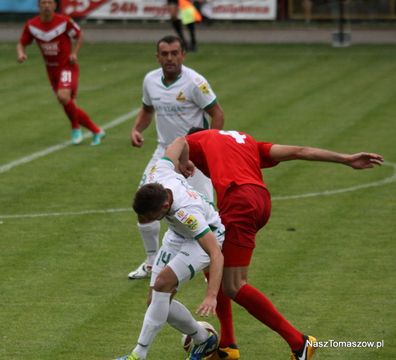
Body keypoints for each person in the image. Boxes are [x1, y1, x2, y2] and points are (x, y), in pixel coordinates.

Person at [165, 129, 384, 360]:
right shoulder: (245, 141)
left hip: (239, 201)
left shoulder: (198, 138)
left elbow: (179, 143)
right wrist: (346, 158)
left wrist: (182, 161)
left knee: (234, 285)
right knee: (215, 263)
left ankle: (299, 343)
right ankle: (228, 346)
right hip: (260, 201)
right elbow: (300, 151)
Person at [128, 35, 224, 280]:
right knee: (143, 206)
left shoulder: (195, 82)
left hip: (193, 156)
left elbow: (217, 113)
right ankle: (151, 261)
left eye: (174, 53)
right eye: (165, 54)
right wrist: (137, 128)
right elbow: (148, 110)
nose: (169, 58)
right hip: (164, 154)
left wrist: (208, 145)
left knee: (204, 214)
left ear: (183, 55)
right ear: (157, 56)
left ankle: (211, 269)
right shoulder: (150, 80)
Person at [115, 151, 226, 360]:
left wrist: (211, 295)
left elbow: (215, 253)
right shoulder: (159, 172)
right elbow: (179, 142)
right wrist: (184, 160)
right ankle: (204, 339)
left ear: (165, 206)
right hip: (177, 233)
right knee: (155, 300)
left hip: (204, 239)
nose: (145, 221)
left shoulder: (187, 212)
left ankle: (138, 355)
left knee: (163, 283)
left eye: (149, 217)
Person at [16, 0, 105, 146]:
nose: (46, 6)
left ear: (55, 5)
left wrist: (74, 53)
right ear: (38, 5)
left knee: (63, 96)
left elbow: (79, 35)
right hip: (51, 70)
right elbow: (22, 43)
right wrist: (21, 53)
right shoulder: (32, 25)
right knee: (69, 104)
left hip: (67, 66)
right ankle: (96, 131)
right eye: (43, 3)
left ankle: (75, 128)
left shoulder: (64, 21)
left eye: (49, 2)